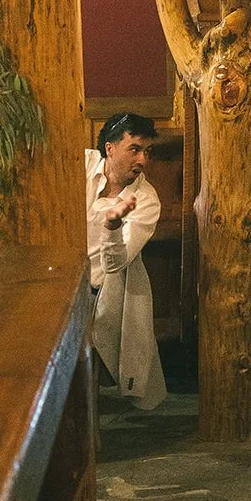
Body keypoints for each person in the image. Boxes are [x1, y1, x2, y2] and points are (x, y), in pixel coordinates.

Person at [86, 112, 165, 410]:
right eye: (135, 149)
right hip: (57, 281)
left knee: (93, 368)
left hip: (103, 292)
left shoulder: (146, 199)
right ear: (110, 148)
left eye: (147, 151)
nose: (143, 159)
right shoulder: (80, 165)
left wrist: (112, 226)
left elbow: (115, 265)